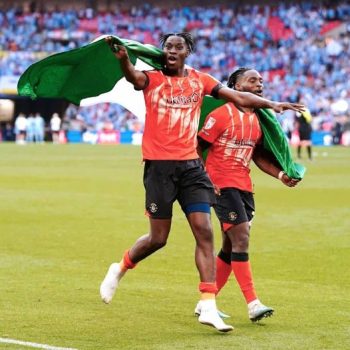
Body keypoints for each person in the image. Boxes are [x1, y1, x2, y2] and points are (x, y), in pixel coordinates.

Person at [99, 33, 304, 332]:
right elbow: (133, 78)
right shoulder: (152, 79)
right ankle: (119, 268)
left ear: (188, 52)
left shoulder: (201, 80)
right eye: (167, 46)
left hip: (192, 167)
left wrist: (274, 103)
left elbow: (239, 97)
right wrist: (123, 62)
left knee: (205, 231)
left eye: (178, 47)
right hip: (159, 168)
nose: (171, 50)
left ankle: (208, 304)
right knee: (158, 238)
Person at [195, 67, 301, 323]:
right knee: (241, 238)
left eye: (261, 81)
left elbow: (258, 156)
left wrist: (280, 175)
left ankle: (205, 304)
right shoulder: (221, 115)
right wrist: (207, 181)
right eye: (252, 80)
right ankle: (253, 303)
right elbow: (197, 148)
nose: (259, 84)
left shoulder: (259, 120)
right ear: (236, 86)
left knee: (230, 246)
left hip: (244, 186)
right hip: (221, 184)